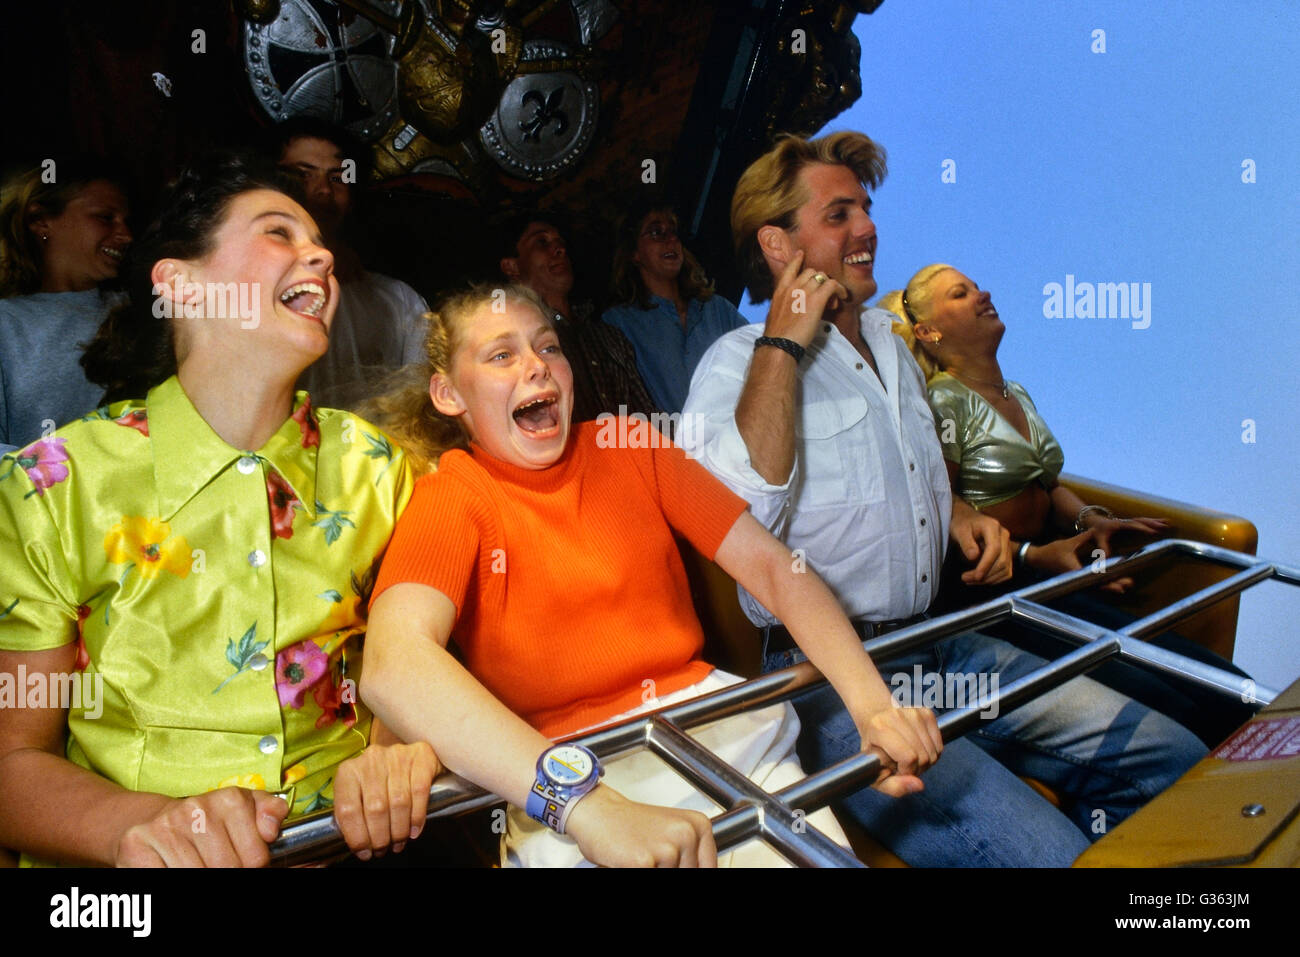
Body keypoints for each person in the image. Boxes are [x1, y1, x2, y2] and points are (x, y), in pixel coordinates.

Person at [680, 131, 1206, 867]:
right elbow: (742, 517)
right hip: (824, 679)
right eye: (838, 215)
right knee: (1049, 856)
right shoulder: (734, 362)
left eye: (865, 209)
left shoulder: (896, 351)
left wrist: (961, 517)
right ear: (778, 244)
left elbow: (903, 477)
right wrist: (783, 344)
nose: (867, 228)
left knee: (1173, 756)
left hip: (943, 641)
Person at [359, 283, 943, 867]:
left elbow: (774, 567)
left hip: (724, 739)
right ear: (447, 393)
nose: (537, 366)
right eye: (501, 355)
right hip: (556, 772)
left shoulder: (631, 442)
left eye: (549, 348)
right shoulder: (453, 495)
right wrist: (587, 807)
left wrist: (876, 710)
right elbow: (395, 664)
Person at [0, 153, 435, 867]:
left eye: (317, 241)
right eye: (279, 232)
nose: (320, 253)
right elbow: (13, 764)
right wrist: (147, 827)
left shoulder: (379, 469)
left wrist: (393, 754)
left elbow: (419, 670)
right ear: (180, 284)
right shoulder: (54, 485)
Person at [881, 264, 1253, 743]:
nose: (983, 293)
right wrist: (1028, 557)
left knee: (1212, 677)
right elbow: (937, 503)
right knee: (1178, 702)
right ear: (929, 331)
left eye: (976, 286)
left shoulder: (1016, 393)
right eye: (961, 293)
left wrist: (1093, 522)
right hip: (996, 595)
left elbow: (1049, 485)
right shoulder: (943, 401)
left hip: (1050, 576)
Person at [270, 118, 430, 408]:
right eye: (302, 175)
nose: (323, 190)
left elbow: (421, 408)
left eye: (337, 178)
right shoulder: (242, 291)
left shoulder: (399, 300)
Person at [0, 158, 132, 452]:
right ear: (41, 221)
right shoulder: (7, 323)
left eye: (126, 221)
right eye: (105, 217)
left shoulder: (143, 308)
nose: (126, 235)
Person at [498, 211, 657, 423]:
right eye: (542, 242)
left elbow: (648, 416)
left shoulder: (607, 335)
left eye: (560, 242)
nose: (559, 249)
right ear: (512, 266)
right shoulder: (511, 345)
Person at [602, 198, 748, 414]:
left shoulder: (717, 309)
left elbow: (759, 362)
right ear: (634, 253)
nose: (670, 239)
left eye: (673, 232)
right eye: (656, 233)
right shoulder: (619, 324)